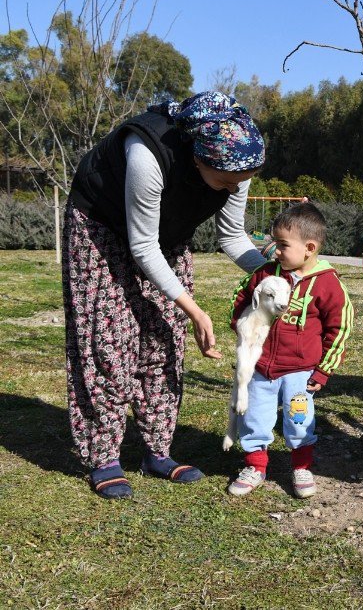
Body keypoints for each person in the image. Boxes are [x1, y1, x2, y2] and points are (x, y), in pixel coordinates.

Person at [63, 91, 268, 499]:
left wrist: (274, 273)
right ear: (198, 157)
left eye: (240, 182)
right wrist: (195, 310)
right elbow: (142, 247)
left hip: (166, 237)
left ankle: (156, 452)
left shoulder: (235, 168)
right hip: (100, 228)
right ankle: (103, 456)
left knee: (164, 340)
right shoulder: (146, 154)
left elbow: (231, 236)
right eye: (226, 181)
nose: (234, 188)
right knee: (108, 343)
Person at [226, 202, 353, 499]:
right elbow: (242, 296)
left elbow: (340, 328)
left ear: (309, 247)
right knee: (254, 417)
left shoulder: (328, 284)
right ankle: (255, 466)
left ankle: (301, 466)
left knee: (299, 421)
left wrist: (323, 370)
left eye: (282, 245)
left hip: (300, 373)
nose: (275, 251)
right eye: (274, 243)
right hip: (261, 367)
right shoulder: (265, 274)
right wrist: (242, 326)